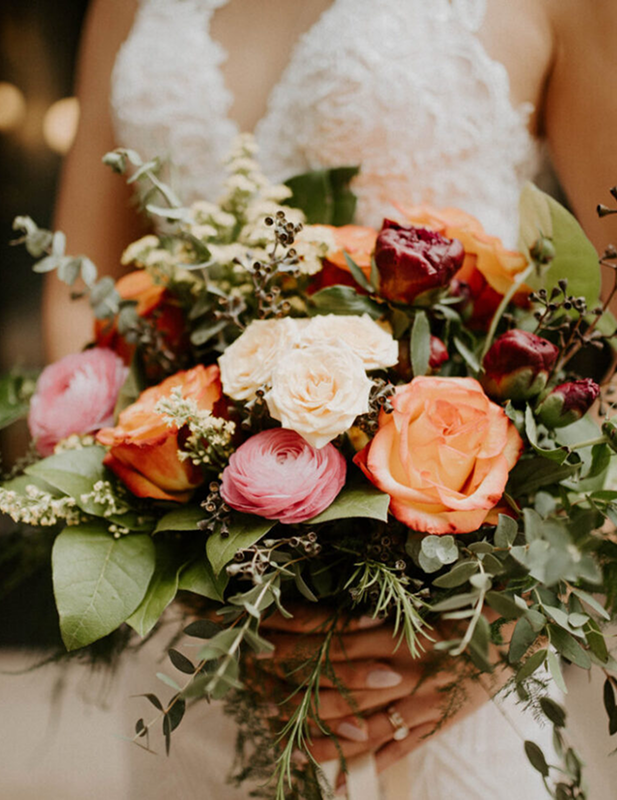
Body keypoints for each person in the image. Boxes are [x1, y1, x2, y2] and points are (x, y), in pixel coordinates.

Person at [43, 1, 617, 797]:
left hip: (450, 627)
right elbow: (80, 286)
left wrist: (522, 594)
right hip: (207, 614)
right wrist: (156, 534)